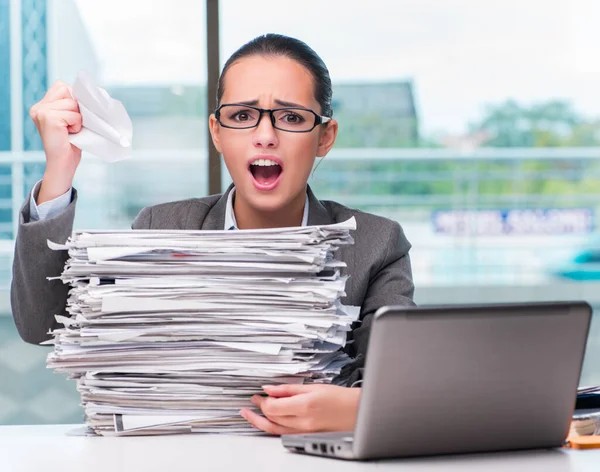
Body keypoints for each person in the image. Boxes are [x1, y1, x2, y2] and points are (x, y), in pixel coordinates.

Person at [11, 34, 414, 435]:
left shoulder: (378, 244)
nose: (266, 135)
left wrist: (360, 409)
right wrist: (59, 172)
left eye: (291, 117)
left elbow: (403, 382)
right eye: (242, 116)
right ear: (217, 132)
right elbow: (42, 326)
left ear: (325, 136)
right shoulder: (162, 228)